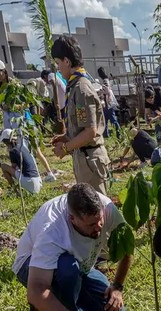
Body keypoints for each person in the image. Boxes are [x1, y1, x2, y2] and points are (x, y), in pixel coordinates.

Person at [12, 183, 132, 311]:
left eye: (100, 220)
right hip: (32, 267)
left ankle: (53, 306)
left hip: (81, 265)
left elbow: (127, 245)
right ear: (72, 219)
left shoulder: (107, 208)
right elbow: (36, 290)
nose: (99, 227)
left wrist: (117, 286)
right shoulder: (52, 232)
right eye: (91, 225)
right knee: (67, 269)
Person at [50, 36, 110, 195]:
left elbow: (90, 132)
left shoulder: (81, 88)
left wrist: (65, 148)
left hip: (90, 160)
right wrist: (67, 137)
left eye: (58, 63)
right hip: (83, 157)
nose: (58, 68)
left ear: (67, 61)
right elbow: (82, 126)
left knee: (97, 206)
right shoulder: (74, 86)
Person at [0, 129, 42, 194]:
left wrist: (6, 175)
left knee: (3, 166)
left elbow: (13, 167)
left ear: (6, 142)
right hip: (38, 181)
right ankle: (18, 188)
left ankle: (14, 190)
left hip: (29, 182)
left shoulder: (13, 151)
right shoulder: (23, 147)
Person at [97, 67, 120, 138]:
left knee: (112, 119)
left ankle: (118, 133)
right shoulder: (106, 79)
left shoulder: (105, 81)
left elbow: (106, 90)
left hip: (108, 102)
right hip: (108, 102)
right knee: (106, 118)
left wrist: (100, 91)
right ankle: (106, 134)